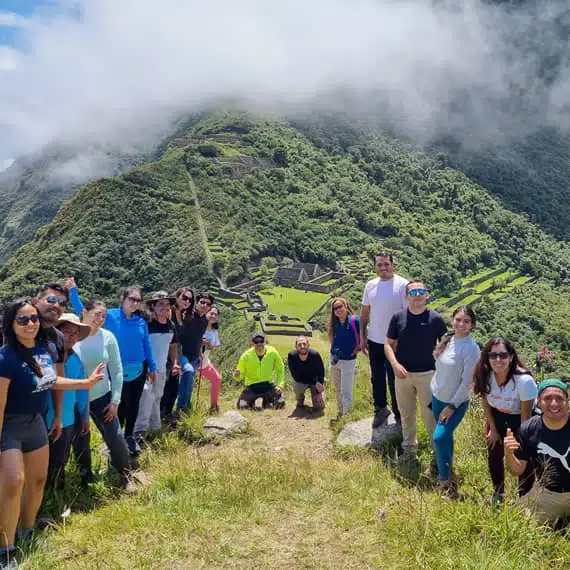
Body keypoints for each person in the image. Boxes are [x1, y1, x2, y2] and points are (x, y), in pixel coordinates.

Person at [0, 299, 103, 568]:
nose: (30, 323)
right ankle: (6, 549)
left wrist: (85, 383)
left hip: (36, 423)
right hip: (9, 425)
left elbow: (52, 380)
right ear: (11, 324)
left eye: (33, 318)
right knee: (13, 482)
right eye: (22, 319)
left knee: (37, 480)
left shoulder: (44, 350)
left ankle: (27, 531)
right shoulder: (5, 357)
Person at [68, 279, 157, 456]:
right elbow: (84, 313)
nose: (135, 303)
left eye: (138, 300)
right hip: (117, 371)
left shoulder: (141, 322)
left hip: (139, 370)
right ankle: (117, 439)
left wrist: (152, 366)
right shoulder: (110, 316)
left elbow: (147, 344)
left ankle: (130, 436)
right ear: (122, 298)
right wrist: (73, 292)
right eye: (131, 298)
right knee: (119, 405)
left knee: (134, 405)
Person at [72, 300, 134, 490]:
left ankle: (126, 476)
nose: (100, 319)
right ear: (84, 312)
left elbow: (116, 370)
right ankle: (86, 479)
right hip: (76, 398)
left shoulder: (107, 337)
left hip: (102, 396)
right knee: (81, 439)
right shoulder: (72, 336)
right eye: (96, 314)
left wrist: (115, 401)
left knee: (115, 436)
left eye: (103, 316)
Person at [384, 280, 447, 458]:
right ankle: (409, 449)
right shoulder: (398, 318)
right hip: (402, 375)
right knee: (406, 414)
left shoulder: (435, 318)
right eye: (412, 292)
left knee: (430, 416)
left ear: (427, 294)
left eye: (421, 291)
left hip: (428, 375)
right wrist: (395, 365)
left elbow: (446, 345)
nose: (417, 295)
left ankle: (437, 453)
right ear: (406, 296)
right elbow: (387, 344)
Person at [473, 337, 537, 502]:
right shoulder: (486, 375)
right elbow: (486, 403)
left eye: (503, 355)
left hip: (522, 419)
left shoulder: (524, 381)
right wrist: (493, 430)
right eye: (493, 355)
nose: (498, 359)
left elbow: (526, 417)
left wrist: (520, 442)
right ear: (487, 357)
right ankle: (498, 493)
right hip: (498, 416)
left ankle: (525, 500)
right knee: (494, 454)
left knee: (523, 459)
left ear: (511, 357)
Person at [430, 306, 480, 496]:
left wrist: (452, 406)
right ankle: (448, 471)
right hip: (437, 397)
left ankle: (445, 483)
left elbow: (468, 383)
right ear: (452, 320)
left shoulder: (471, 349)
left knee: (439, 437)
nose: (461, 324)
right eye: (458, 319)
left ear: (472, 325)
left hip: (455, 403)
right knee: (446, 438)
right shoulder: (448, 339)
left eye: (466, 321)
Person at [505, 379, 570, 524]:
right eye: (547, 398)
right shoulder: (529, 429)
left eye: (559, 398)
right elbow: (517, 470)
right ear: (539, 401)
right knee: (512, 520)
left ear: (567, 400)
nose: (554, 404)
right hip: (548, 494)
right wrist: (508, 454)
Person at [360, 252, 408, 428]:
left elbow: (407, 315)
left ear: (393, 265)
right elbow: (365, 312)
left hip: (395, 343)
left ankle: (399, 413)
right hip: (374, 340)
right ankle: (380, 409)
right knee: (377, 377)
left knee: (394, 379)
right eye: (379, 264)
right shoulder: (370, 285)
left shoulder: (403, 285)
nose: (383, 268)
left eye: (386, 264)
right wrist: (362, 336)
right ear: (375, 266)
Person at [46, 314, 92, 489]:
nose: (71, 337)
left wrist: (84, 417)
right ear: (56, 332)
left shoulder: (76, 359)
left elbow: (82, 391)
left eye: (75, 333)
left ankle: (56, 494)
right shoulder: (45, 357)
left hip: (67, 419)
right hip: (44, 419)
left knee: (60, 458)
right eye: (66, 331)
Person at [134, 292, 179, 439]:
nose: (164, 307)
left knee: (157, 397)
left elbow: (173, 346)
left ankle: (155, 427)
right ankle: (140, 430)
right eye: (160, 304)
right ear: (153, 306)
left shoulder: (170, 325)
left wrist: (175, 363)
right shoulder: (146, 324)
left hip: (161, 368)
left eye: (167, 304)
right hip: (146, 368)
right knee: (146, 396)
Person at [176, 292, 212, 414]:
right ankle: (181, 407)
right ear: (196, 303)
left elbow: (198, 336)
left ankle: (186, 406)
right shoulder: (187, 315)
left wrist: (201, 345)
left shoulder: (205, 320)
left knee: (190, 383)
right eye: (202, 302)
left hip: (195, 355)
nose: (204, 305)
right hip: (182, 353)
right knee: (188, 372)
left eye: (208, 304)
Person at [161, 287, 193, 419]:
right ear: (177, 297)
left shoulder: (183, 314)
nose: (187, 301)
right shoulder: (170, 312)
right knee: (166, 385)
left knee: (174, 385)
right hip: (166, 351)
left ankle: (171, 412)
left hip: (177, 352)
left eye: (190, 299)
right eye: (184, 298)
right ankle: (162, 414)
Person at [328, 297, 360, 417]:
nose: (338, 310)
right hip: (335, 359)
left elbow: (365, 335)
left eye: (340, 306)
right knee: (338, 388)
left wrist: (358, 348)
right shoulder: (333, 324)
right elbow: (331, 339)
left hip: (348, 361)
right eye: (335, 308)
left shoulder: (355, 321)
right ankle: (341, 412)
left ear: (346, 306)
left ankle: (347, 416)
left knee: (346, 390)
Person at [234, 333, 285, 409]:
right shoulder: (246, 356)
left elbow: (280, 369)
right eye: (256, 342)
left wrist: (279, 385)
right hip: (252, 387)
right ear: (252, 343)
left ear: (265, 342)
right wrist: (237, 375)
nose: (259, 343)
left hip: (268, 385)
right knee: (242, 406)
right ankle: (262, 403)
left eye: (261, 341)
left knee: (280, 403)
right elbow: (239, 376)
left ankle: (261, 402)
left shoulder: (273, 353)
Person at [287, 336, 326, 411]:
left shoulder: (315, 355)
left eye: (304, 344)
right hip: (302, 382)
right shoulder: (292, 356)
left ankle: (317, 397)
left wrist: (319, 391)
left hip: (316, 382)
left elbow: (321, 372)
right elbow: (296, 377)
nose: (302, 346)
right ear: (296, 346)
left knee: (320, 406)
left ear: (308, 345)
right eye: (299, 344)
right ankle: (300, 399)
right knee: (297, 385)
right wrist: (314, 382)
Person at [198, 305, 222, 414]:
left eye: (215, 314)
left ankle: (213, 406)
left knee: (217, 378)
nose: (213, 316)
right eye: (211, 313)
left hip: (205, 360)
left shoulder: (214, 331)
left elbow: (215, 347)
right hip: (194, 359)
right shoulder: (197, 326)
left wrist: (210, 345)